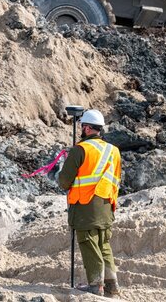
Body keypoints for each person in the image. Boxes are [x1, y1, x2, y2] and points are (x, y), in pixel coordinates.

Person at [58, 109, 121, 297]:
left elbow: (64, 182)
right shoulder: (114, 150)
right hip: (106, 205)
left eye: (82, 126)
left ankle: (95, 286)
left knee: (89, 244)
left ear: (86, 128)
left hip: (85, 206)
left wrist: (61, 169)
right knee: (104, 245)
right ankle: (112, 286)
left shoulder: (80, 150)